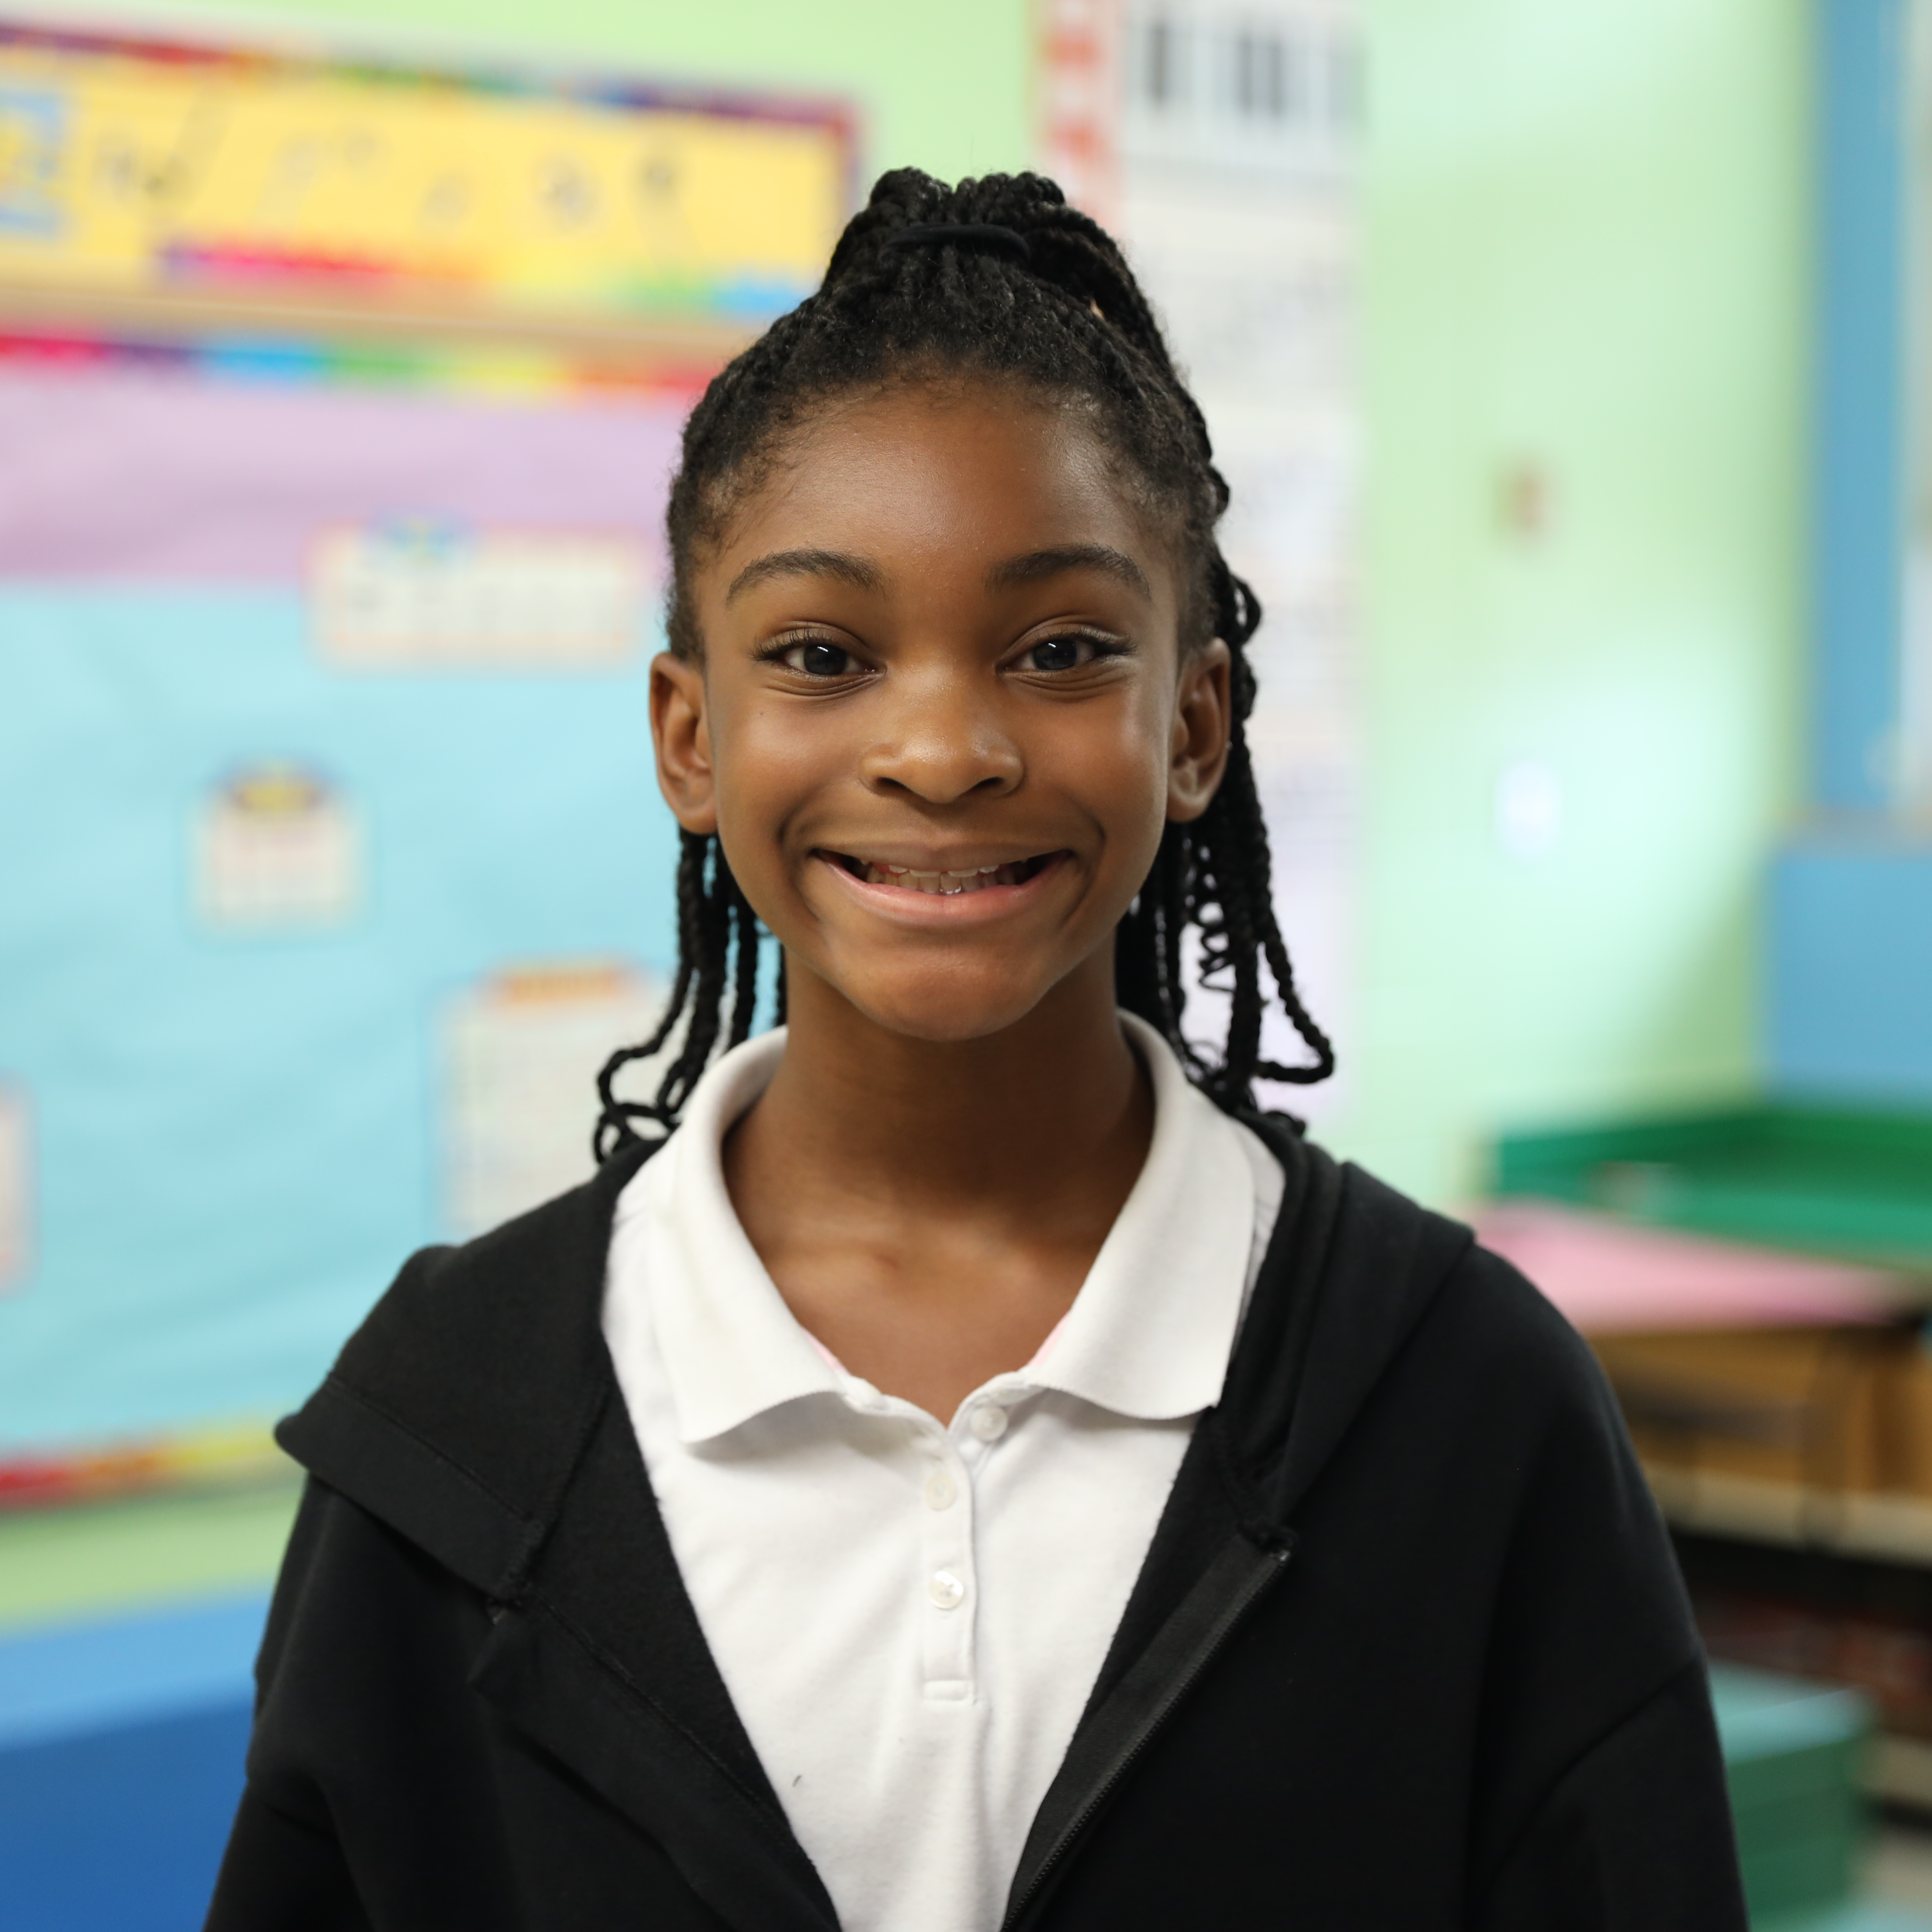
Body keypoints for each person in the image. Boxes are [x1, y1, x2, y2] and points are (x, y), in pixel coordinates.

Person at [206, 170, 1746, 1932]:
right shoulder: (454, 1425)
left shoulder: (1465, 1403)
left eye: (1061, 648)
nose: (941, 747)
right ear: (689, 736)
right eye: (821, 652)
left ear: (1192, 725)